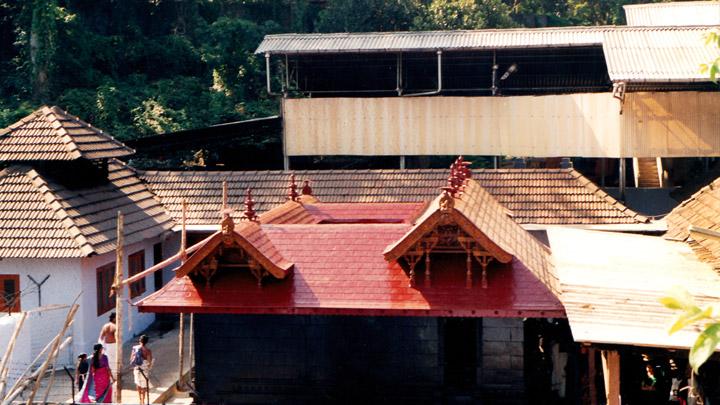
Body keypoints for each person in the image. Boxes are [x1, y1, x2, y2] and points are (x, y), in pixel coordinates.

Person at [131, 334, 153, 405]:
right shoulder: (148, 351)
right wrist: (149, 366)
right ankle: (143, 400)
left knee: (138, 383)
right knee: (144, 385)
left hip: (136, 368)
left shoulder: (134, 348)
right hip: (144, 369)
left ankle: (140, 399)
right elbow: (149, 362)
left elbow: (131, 359)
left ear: (139, 340)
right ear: (146, 342)